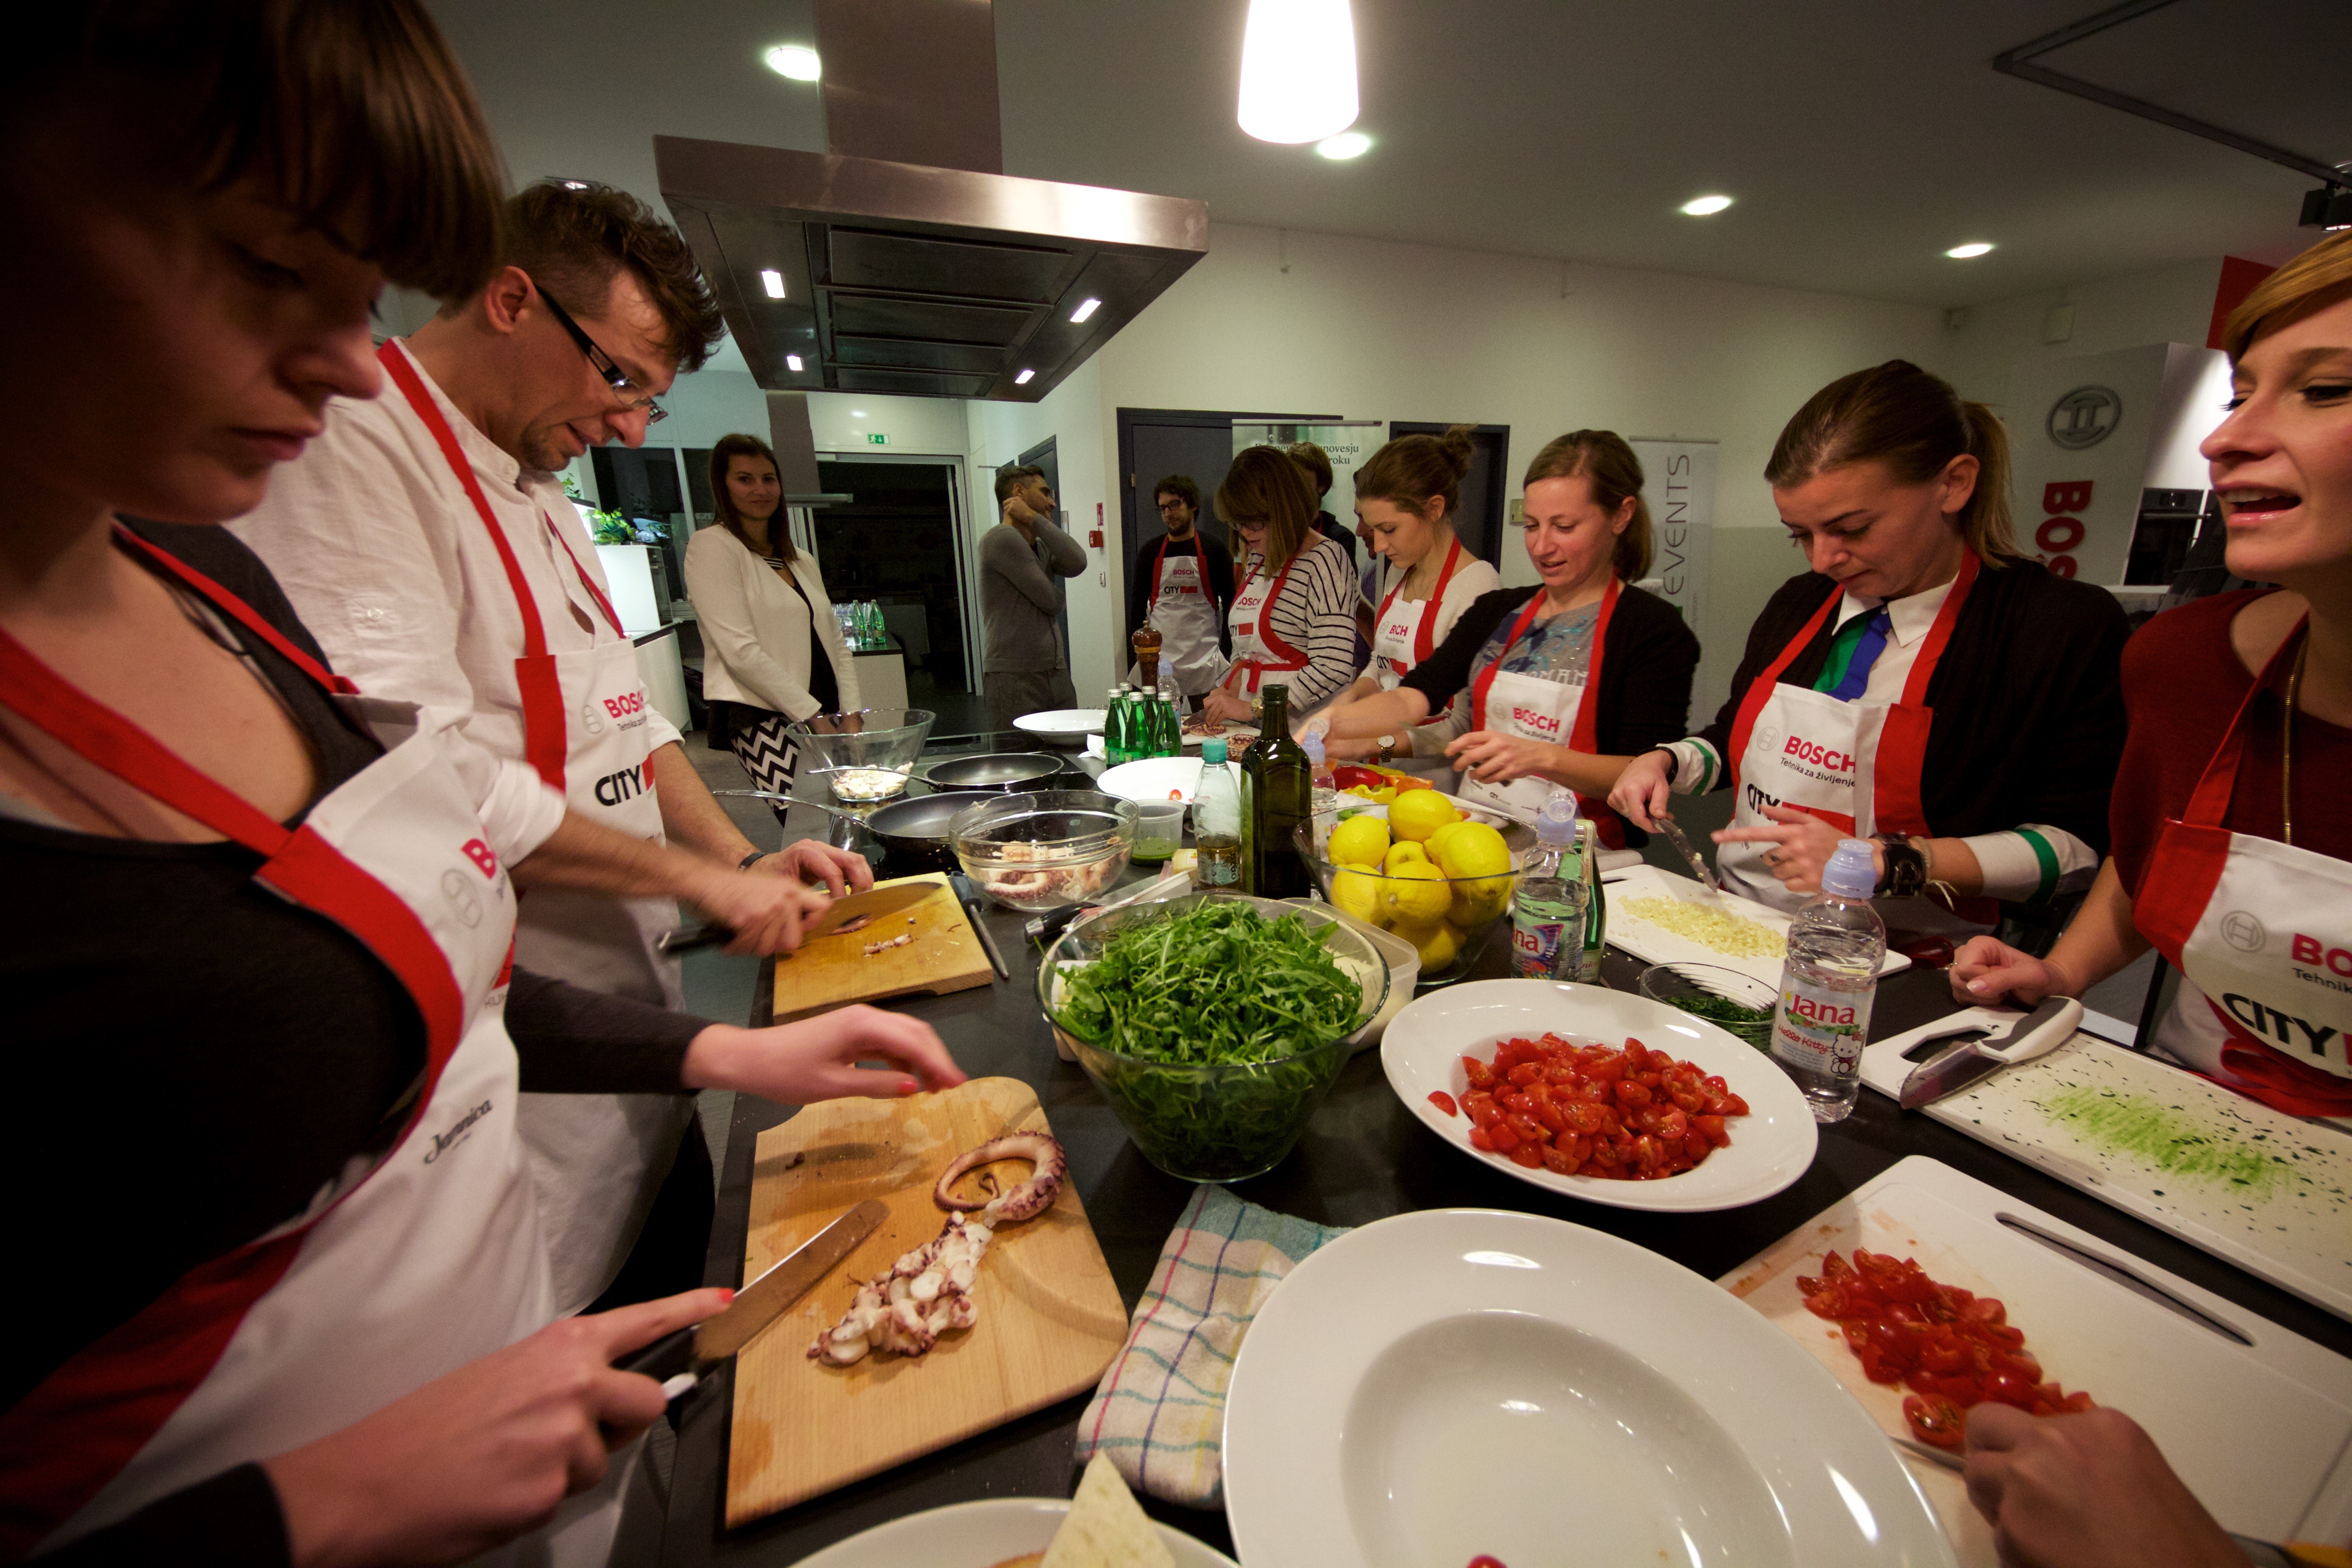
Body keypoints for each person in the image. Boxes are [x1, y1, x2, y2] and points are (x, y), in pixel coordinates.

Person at [0, 3, 964, 1562]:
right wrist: (310, 1506)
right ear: (517, 302)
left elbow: (490, 865)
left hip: (537, 1303)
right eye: (267, 266)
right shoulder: (344, 467)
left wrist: (720, 1006)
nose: (345, 360)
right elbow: (451, 809)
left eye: (356, 290)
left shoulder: (225, 583)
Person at [234, 179, 868, 1318]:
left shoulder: (544, 490)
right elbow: (427, 792)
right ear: (511, 299)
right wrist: (705, 883)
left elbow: (629, 722)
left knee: (684, 1319)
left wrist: (739, 861)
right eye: (620, 379)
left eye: (650, 399)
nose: (631, 428)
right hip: (521, 1098)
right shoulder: (353, 453)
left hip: (644, 1047)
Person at [1951, 231, 2352, 1118]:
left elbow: (2063, 841)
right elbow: (2151, 865)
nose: (2225, 438)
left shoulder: (2052, 623)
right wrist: (2063, 969)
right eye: (2240, 394)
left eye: (2326, 389)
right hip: (2196, 1124)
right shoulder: (2187, 663)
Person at [1610, 361, 2130, 928]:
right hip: (1745, 919)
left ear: (1954, 484)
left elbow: (2076, 849)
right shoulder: (1801, 602)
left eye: (1851, 529)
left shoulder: (2055, 628)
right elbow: (1737, 737)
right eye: (1801, 535)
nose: (1823, 560)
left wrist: (1890, 862)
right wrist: (1668, 761)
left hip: (1911, 950)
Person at [1316, 431, 1695, 840]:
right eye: (1531, 526)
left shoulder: (1651, 628)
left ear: (1621, 516)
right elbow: (1413, 696)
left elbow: (1647, 770)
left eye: (1564, 527)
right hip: (1477, 833)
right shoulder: (1497, 611)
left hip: (1582, 853)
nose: (1542, 547)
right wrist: (1328, 722)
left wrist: (1541, 757)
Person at [685, 432, 861, 814]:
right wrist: (813, 716)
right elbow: (739, 652)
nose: (760, 489)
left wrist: (851, 712)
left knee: (851, 813)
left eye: (768, 479)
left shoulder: (800, 559)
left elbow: (834, 640)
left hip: (823, 706)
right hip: (763, 713)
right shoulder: (713, 546)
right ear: (723, 486)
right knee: (808, 819)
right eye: (744, 479)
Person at [1325, 426, 1502, 774]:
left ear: (1434, 508)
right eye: (1373, 529)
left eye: (1389, 530)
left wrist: (1373, 745)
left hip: (1437, 782)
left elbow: (1462, 727)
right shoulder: (1399, 572)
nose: (1378, 546)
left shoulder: (1477, 587)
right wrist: (1349, 700)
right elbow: (1381, 663)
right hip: (1383, 771)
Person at [1199, 447, 1364, 724]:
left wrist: (1255, 708)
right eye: (1238, 523)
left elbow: (1332, 666)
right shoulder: (1257, 556)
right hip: (1259, 724)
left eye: (1254, 521)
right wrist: (1232, 687)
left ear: (1285, 509)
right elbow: (1246, 646)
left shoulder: (1325, 560)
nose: (1245, 533)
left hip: (1306, 728)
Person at [980, 464, 1087, 730]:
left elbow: (1078, 562)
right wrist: (1059, 598)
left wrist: (1034, 519)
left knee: (1069, 751)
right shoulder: (1001, 538)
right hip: (1015, 677)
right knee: (1021, 754)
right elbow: (1052, 601)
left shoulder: (1039, 545)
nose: (1052, 502)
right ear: (1018, 491)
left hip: (1053, 671)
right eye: (1045, 492)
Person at [1125, 473, 1235, 702]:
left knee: (1209, 722)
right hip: (1159, 661)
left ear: (1192, 505)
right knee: (1157, 722)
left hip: (1205, 661)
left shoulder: (1215, 550)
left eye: (1174, 505)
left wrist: (1226, 653)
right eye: (1163, 508)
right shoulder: (1149, 552)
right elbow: (1136, 610)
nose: (1168, 513)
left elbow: (1232, 605)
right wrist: (1140, 657)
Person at [1287, 439, 1362, 566]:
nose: (1294, 488)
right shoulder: (1276, 533)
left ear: (1321, 485)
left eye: (1302, 481)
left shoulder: (1340, 538)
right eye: (1290, 480)